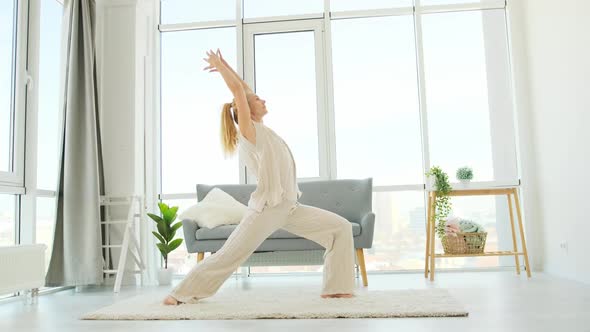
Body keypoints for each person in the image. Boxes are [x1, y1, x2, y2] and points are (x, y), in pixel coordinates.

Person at [163, 49, 356, 305]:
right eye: (256, 99)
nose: (262, 99)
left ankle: (336, 288)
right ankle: (180, 293)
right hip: (266, 210)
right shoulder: (249, 132)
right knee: (230, 255)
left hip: (288, 208)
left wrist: (227, 64)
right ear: (245, 108)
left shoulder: (264, 130)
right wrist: (221, 68)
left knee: (340, 228)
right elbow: (239, 92)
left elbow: (243, 88)